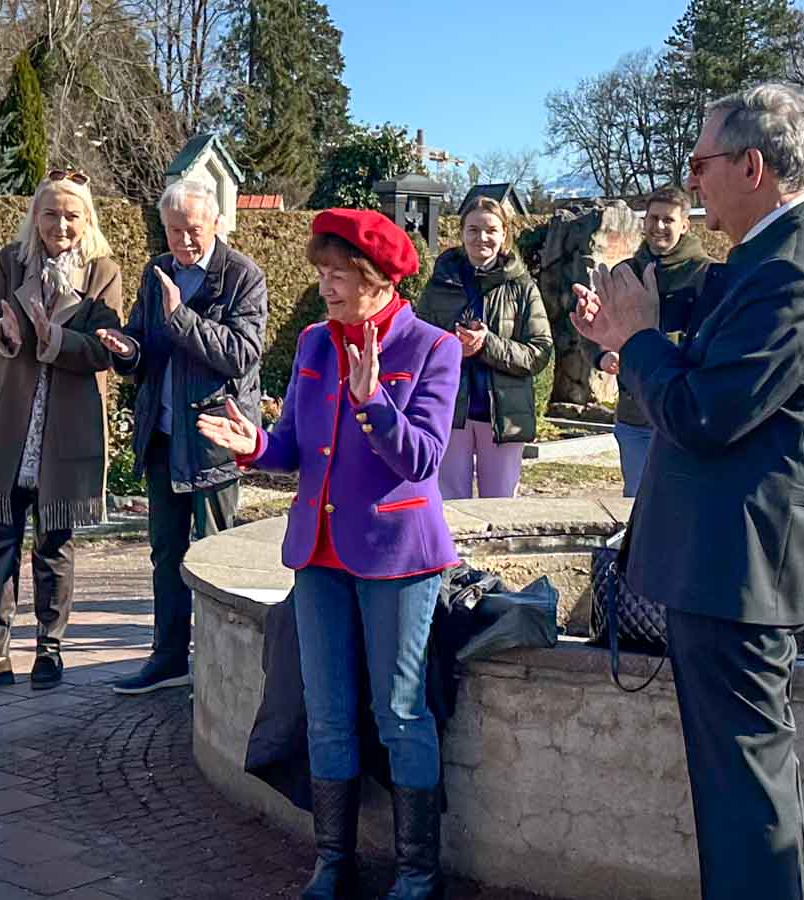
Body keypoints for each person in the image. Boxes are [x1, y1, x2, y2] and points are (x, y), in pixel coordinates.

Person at [572, 83, 804, 900]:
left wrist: (637, 341)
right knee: (750, 791)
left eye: (700, 164)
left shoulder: (793, 268)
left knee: (744, 800)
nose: (692, 182)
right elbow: (718, 383)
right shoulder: (781, 254)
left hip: (741, 571)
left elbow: (706, 414)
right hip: (739, 565)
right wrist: (628, 347)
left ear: (751, 164)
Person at [198, 208, 461, 900]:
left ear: (377, 280)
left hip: (398, 554)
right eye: (321, 274)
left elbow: (421, 459)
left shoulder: (433, 348)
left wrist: (373, 400)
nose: (324, 288)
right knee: (329, 709)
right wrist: (252, 445)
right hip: (317, 551)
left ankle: (417, 871)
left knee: (401, 710)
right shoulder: (315, 343)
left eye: (337, 276)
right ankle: (334, 861)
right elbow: (293, 448)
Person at [0, 170, 123, 694]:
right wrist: (4, 332)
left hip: (66, 425)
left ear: (86, 220)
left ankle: (50, 647)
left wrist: (56, 338)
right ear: (34, 216)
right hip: (11, 419)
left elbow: (105, 348)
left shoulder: (103, 272)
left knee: (53, 542)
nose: (59, 224)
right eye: (50, 213)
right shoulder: (11, 261)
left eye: (71, 215)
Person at [97, 179, 267, 695]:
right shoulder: (157, 273)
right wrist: (126, 350)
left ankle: (220, 667)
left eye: (192, 230)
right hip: (163, 436)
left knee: (215, 555)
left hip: (215, 438)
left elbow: (242, 354)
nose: (183, 242)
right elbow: (148, 344)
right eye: (173, 231)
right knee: (165, 553)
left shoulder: (242, 276)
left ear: (215, 223)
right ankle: (168, 659)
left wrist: (180, 318)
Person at [415, 197, 552, 499]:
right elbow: (416, 346)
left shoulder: (523, 287)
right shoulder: (439, 284)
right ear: (461, 232)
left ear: (504, 233)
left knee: (501, 505)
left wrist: (487, 344)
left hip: (504, 416)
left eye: (491, 229)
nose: (482, 238)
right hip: (450, 412)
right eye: (473, 229)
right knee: (450, 505)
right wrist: (452, 352)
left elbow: (539, 352)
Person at [584, 185, 715, 496]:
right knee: (637, 503)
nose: (658, 227)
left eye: (668, 220)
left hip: (684, 414)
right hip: (635, 416)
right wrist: (602, 356)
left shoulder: (707, 273)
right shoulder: (624, 273)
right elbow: (595, 330)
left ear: (685, 224)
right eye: (653, 218)